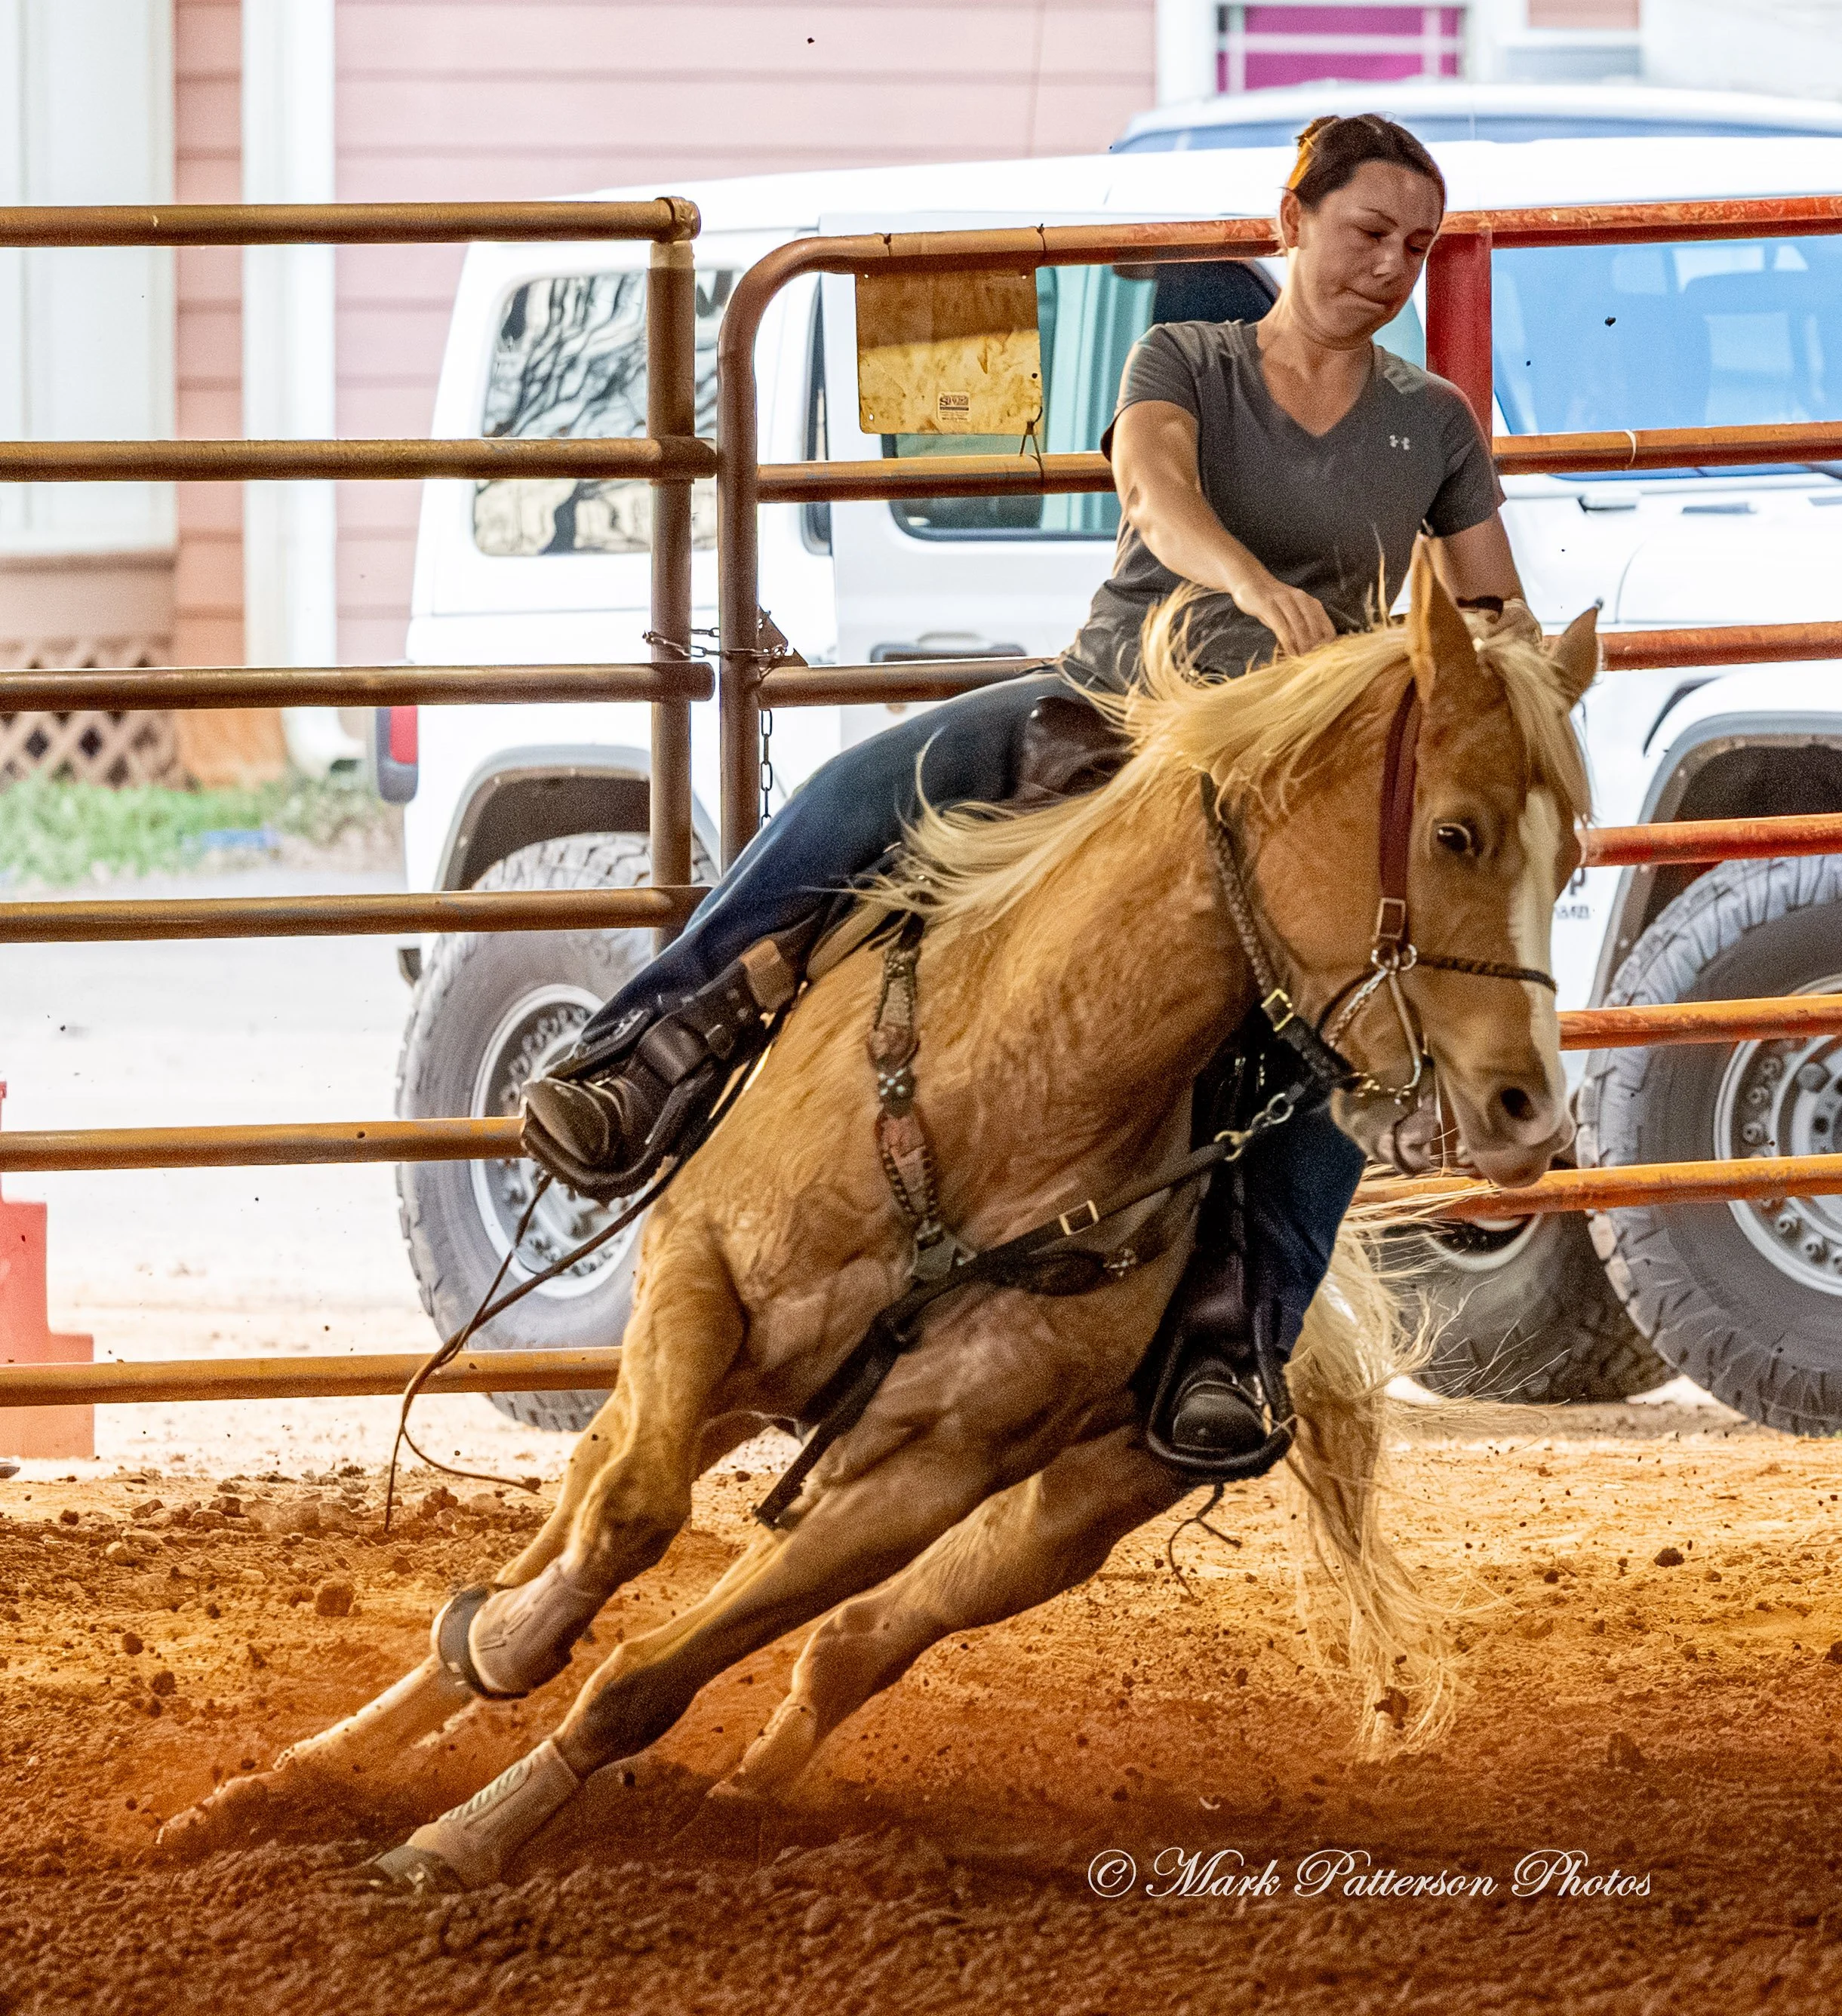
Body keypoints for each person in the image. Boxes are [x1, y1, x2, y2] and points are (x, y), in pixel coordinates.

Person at [521, 112, 1527, 1463]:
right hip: (1112, 709)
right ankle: (651, 1053)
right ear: (1292, 224)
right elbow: (1152, 486)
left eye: (1417, 245)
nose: (1391, 266)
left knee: (1330, 1052)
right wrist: (1243, 579)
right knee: (868, 790)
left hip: (1281, 782)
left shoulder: (1432, 423)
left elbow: (1491, 606)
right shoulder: (1189, 357)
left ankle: (1234, 1343)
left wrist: (1516, 677)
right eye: (1367, 232)